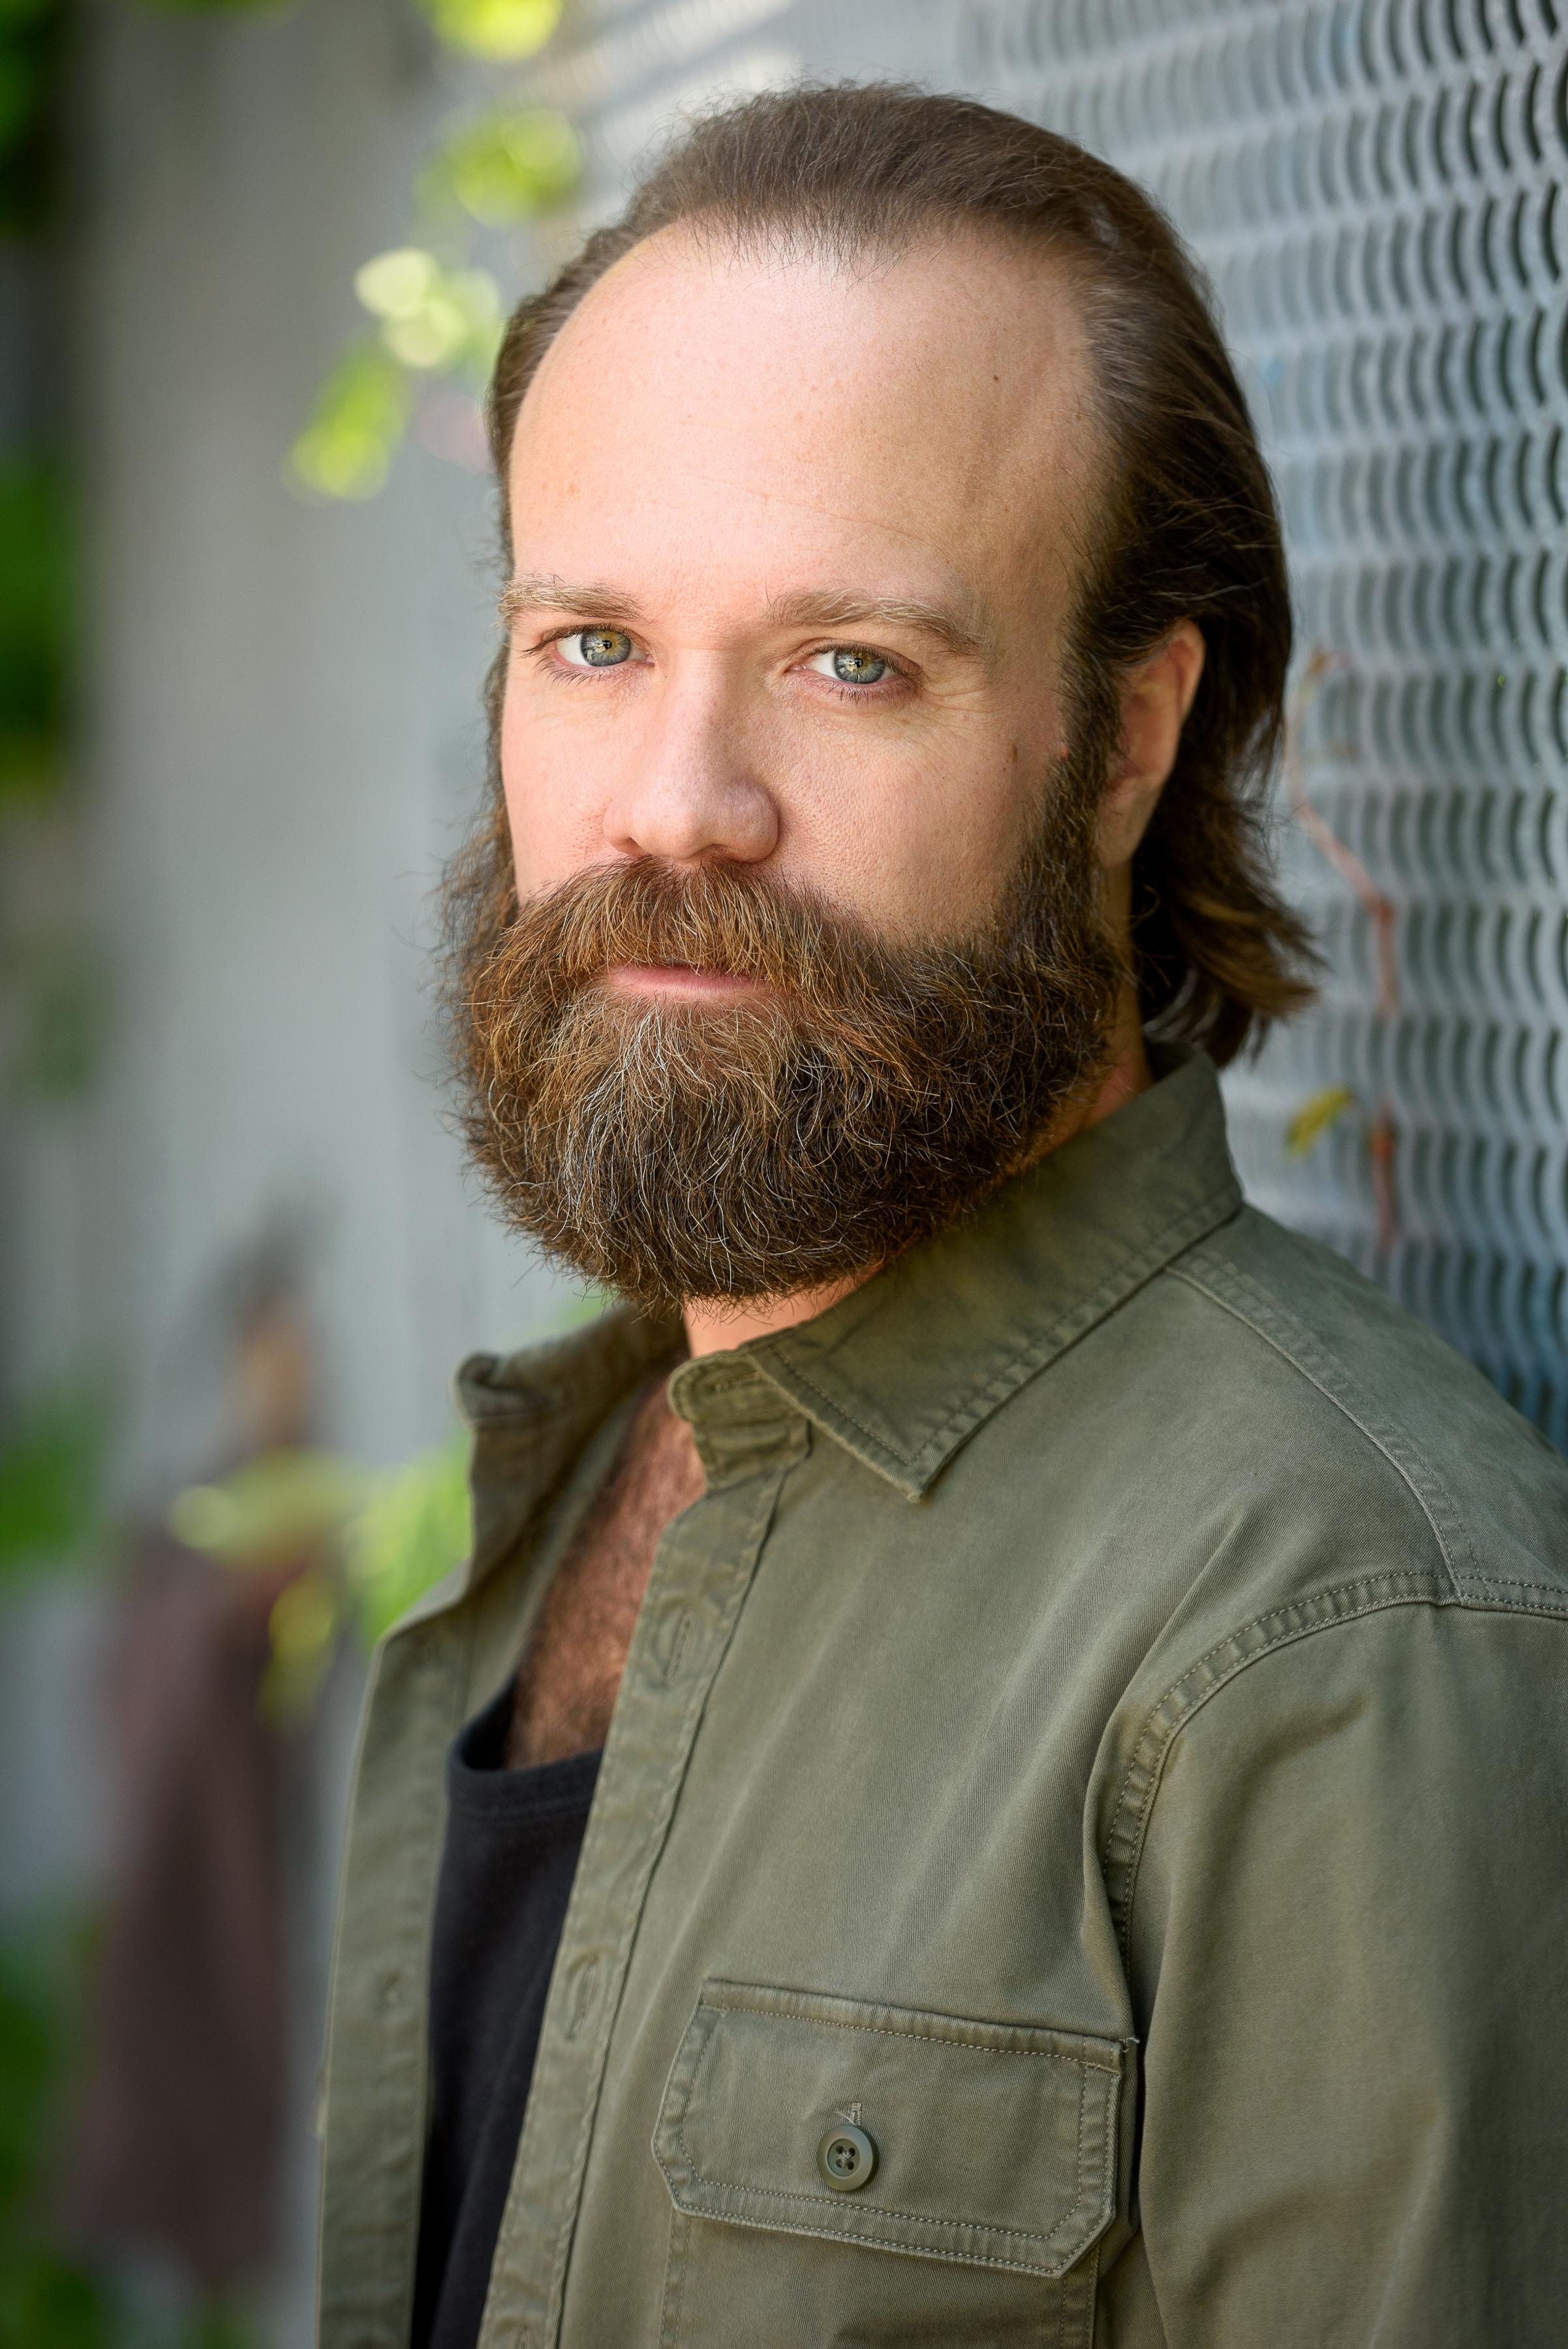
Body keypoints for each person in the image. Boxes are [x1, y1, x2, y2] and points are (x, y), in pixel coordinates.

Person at [316, 85, 1568, 2349]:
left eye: (851, 664)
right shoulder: (602, 1454)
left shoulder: (1345, 1638)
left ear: (1126, 743)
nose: (674, 806)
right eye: (593, 642)